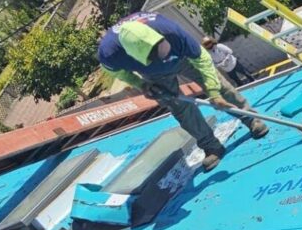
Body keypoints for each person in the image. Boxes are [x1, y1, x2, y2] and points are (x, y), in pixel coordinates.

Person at [98, 11, 267, 171]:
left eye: (160, 48)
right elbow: (118, 73)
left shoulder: (169, 30)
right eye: (155, 55)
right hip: (154, 75)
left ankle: (252, 120)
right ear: (132, 55)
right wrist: (141, 85)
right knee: (179, 107)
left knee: (220, 87)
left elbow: (202, 59)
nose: (162, 57)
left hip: (184, 58)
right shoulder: (109, 54)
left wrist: (213, 92)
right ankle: (211, 146)